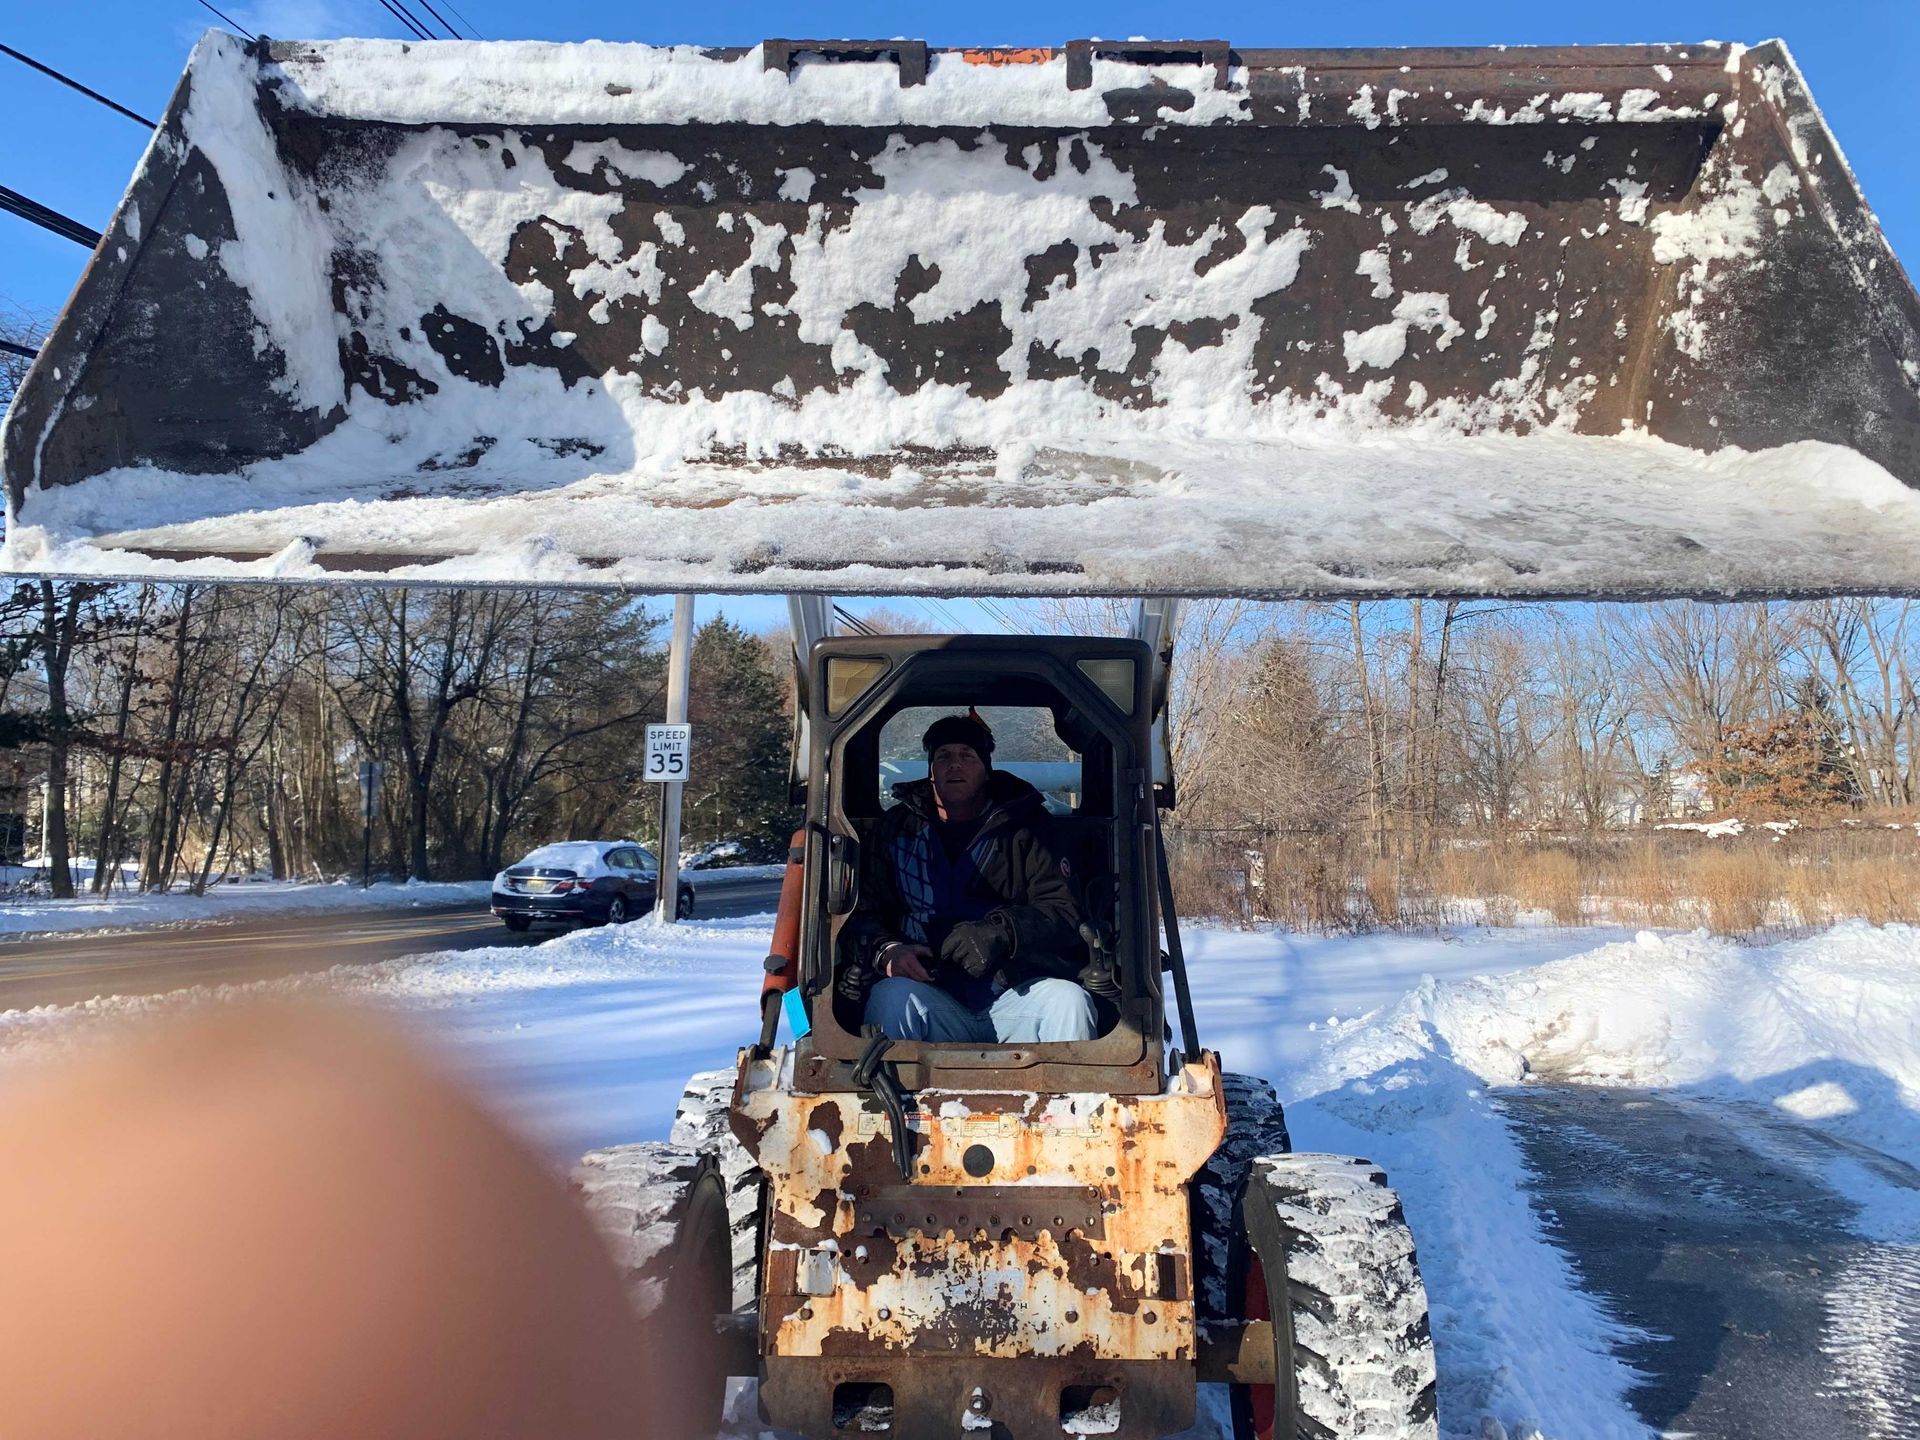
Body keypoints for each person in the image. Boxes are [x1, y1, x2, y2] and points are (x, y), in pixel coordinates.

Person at [839, 710, 1097, 1044]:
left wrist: (1002, 932)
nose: (954, 765)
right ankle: (886, 1096)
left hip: (1015, 992)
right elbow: (861, 913)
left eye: (966, 755)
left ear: (986, 769)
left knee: (1070, 1003)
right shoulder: (896, 831)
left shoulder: (1028, 827)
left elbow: (1063, 910)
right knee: (890, 998)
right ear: (931, 770)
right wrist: (888, 951)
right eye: (943, 757)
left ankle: (1072, 1096)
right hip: (930, 994)